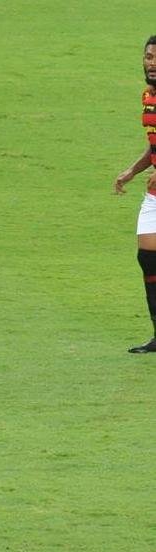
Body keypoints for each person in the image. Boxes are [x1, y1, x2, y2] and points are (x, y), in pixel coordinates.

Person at [113, 35, 156, 353]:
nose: (151, 63)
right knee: (148, 258)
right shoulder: (148, 96)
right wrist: (132, 170)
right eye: (148, 56)